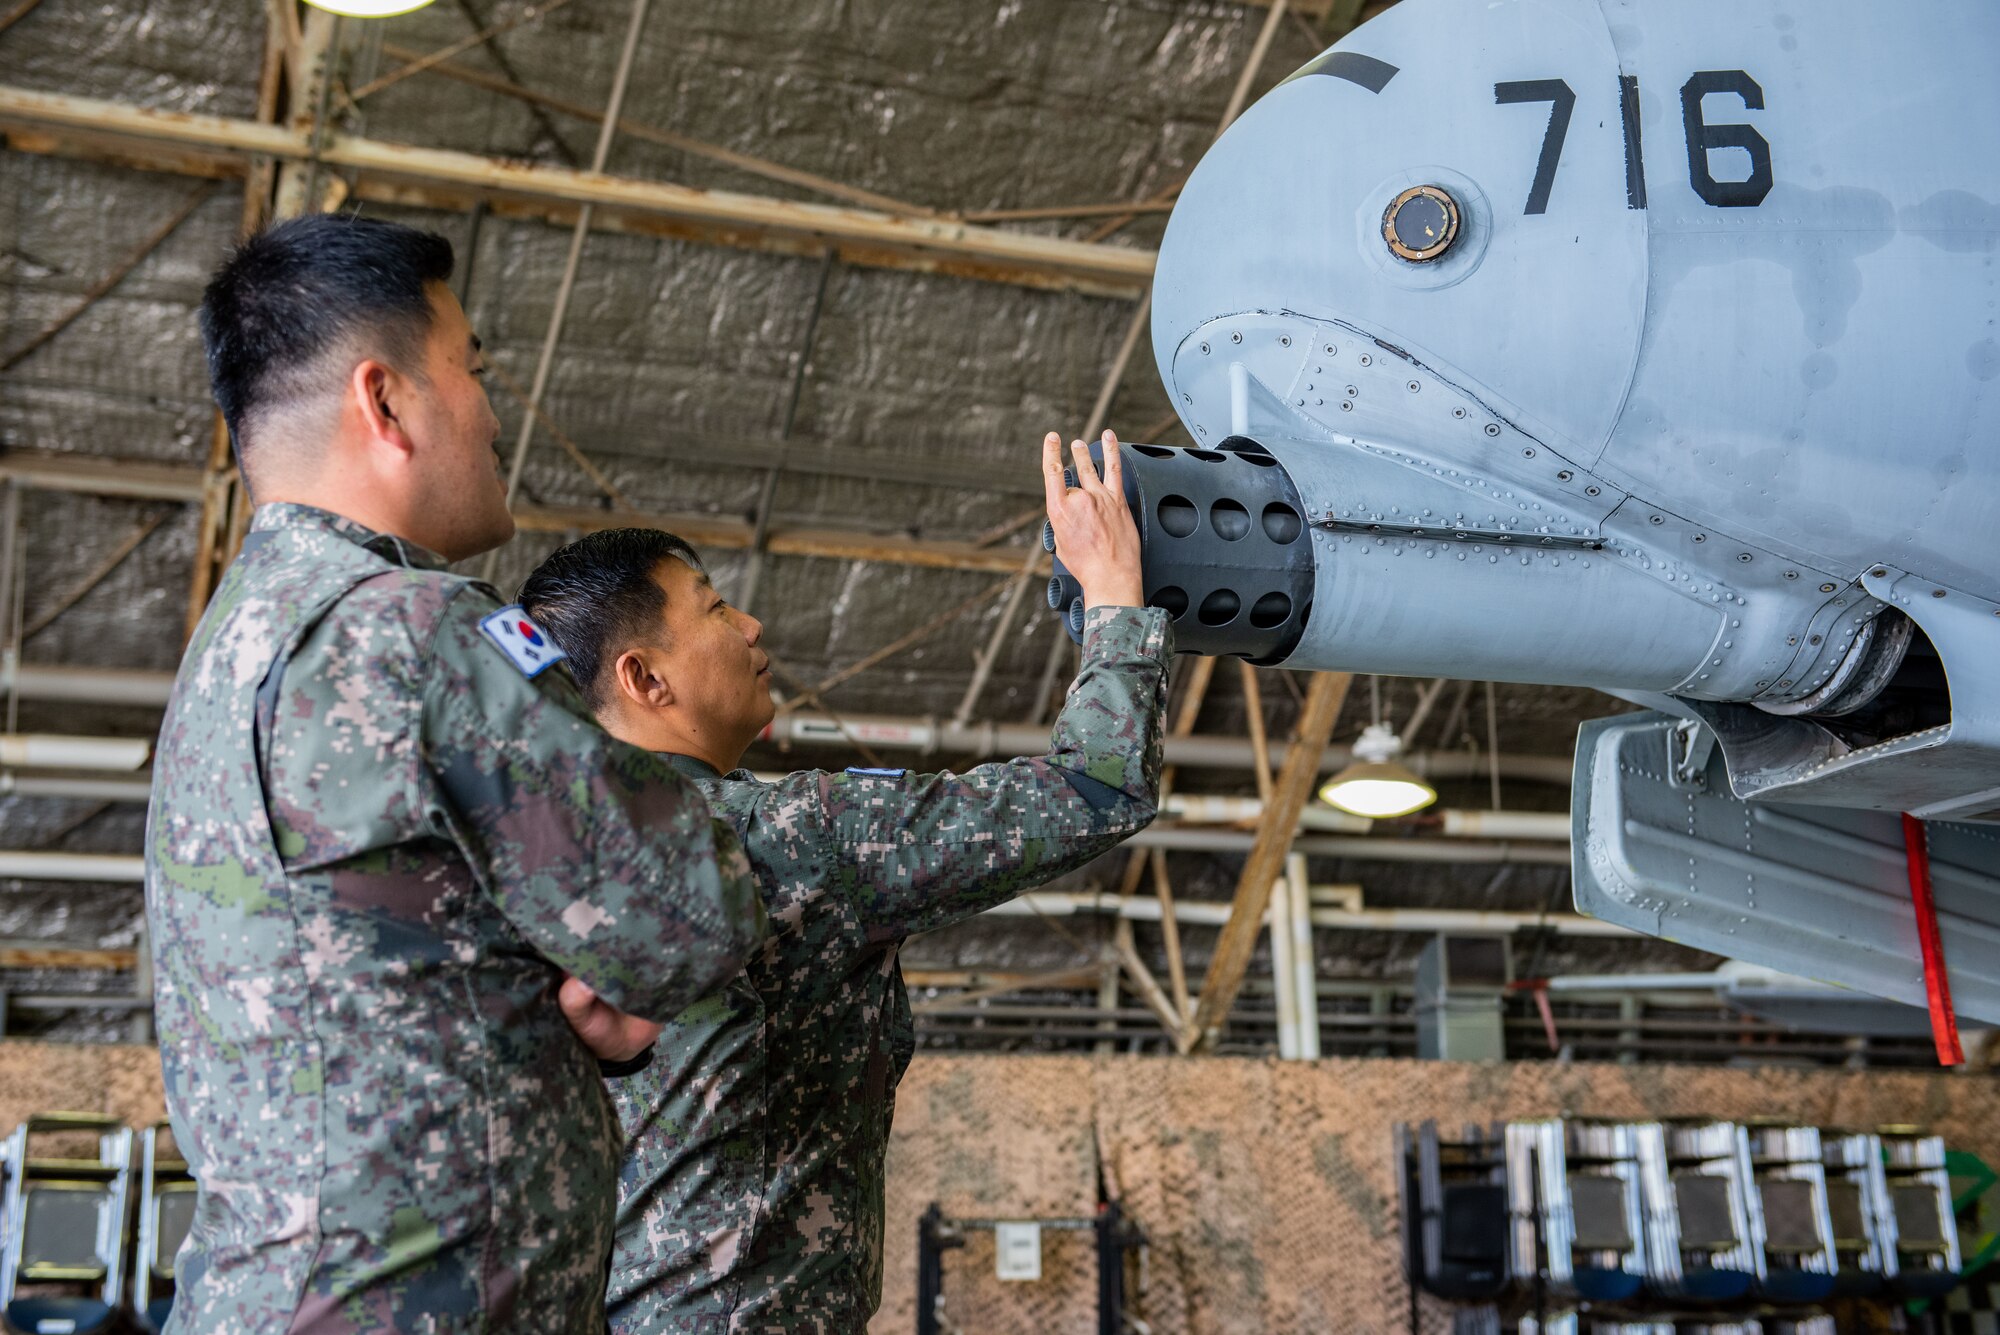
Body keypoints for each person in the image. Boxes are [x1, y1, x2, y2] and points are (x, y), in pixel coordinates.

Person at [147, 213, 768, 1333]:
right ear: (385, 402)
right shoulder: (422, 631)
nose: (490, 411)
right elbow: (689, 921)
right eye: (472, 370)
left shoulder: (229, 651)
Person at [517, 430, 1170, 1332]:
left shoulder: (535, 869)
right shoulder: (791, 838)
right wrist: (1113, 591)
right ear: (644, 676)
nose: (749, 626)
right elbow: (1095, 786)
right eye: (713, 609)